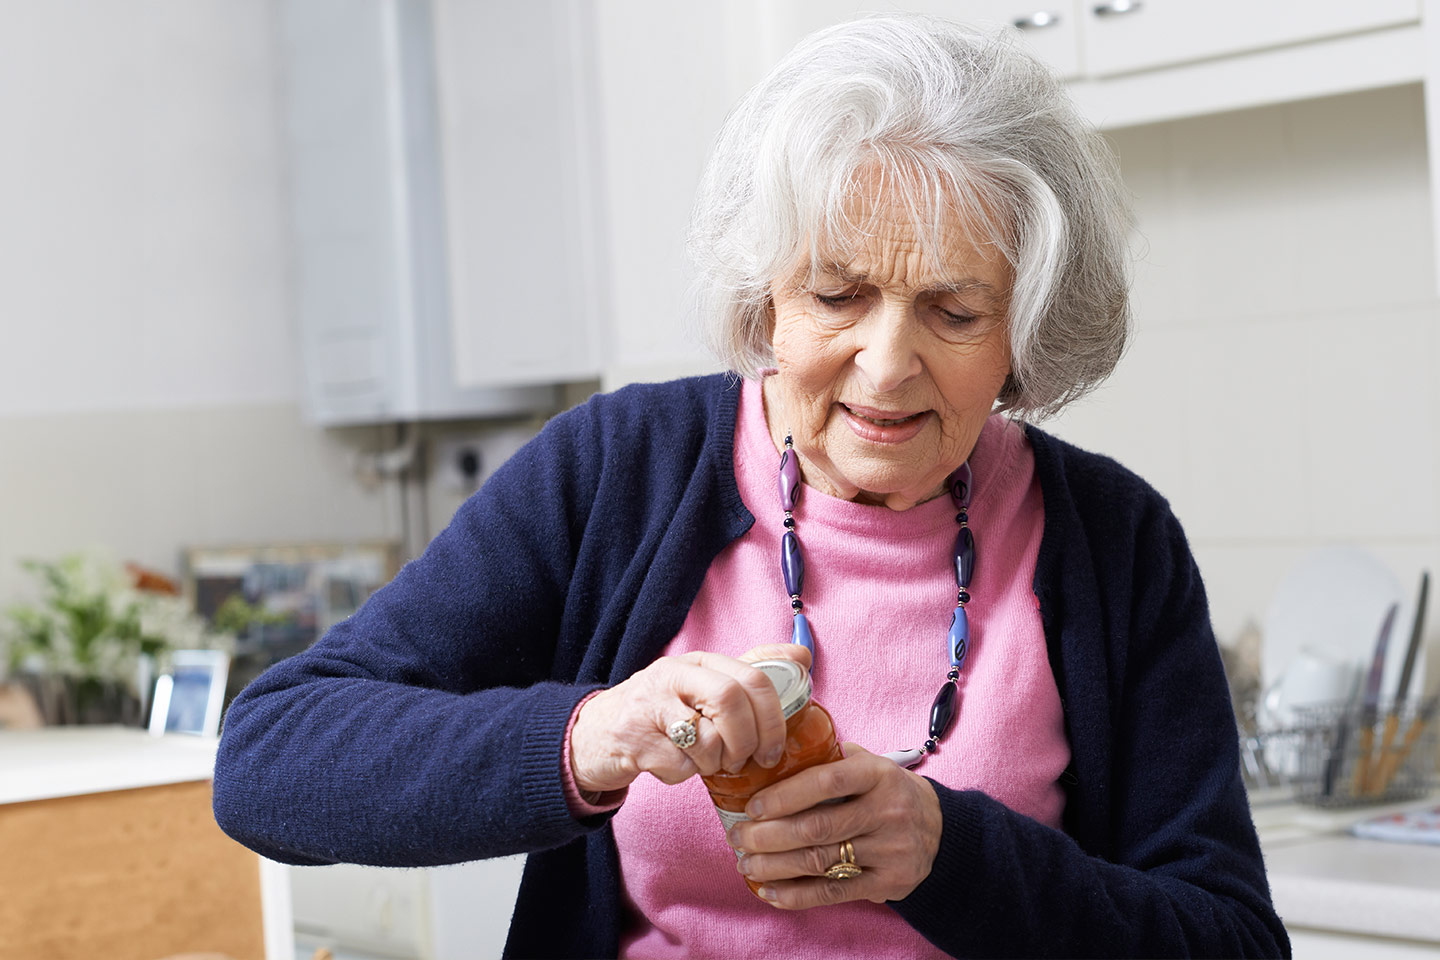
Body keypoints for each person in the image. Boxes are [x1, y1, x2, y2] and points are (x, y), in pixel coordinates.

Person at [213, 14, 1290, 959]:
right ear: (764, 295)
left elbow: (1232, 938)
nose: (884, 363)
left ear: (1024, 334)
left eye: (954, 313)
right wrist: (593, 736)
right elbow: (269, 763)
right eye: (837, 294)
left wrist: (948, 853)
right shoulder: (618, 470)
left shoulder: (1113, 539)